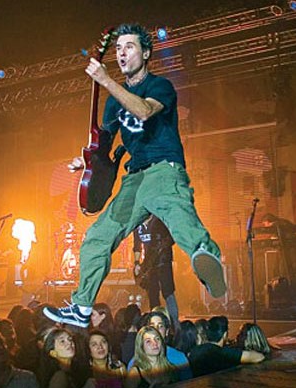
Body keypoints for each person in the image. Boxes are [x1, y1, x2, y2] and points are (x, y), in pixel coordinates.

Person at [44, 23, 226, 328]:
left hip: (162, 168)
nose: (122, 53)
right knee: (96, 238)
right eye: (118, 48)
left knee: (175, 211)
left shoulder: (160, 86)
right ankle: (82, 305)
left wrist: (105, 80)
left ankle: (206, 256)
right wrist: (88, 159)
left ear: (146, 52)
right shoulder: (113, 102)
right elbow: (104, 143)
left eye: (129, 47)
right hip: (134, 179)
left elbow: (143, 111)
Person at [133, 214, 180, 327]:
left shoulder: (159, 221)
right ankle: (156, 323)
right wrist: (137, 263)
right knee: (152, 293)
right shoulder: (137, 226)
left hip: (163, 262)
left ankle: (175, 324)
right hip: (149, 264)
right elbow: (137, 245)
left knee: (168, 292)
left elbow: (170, 239)